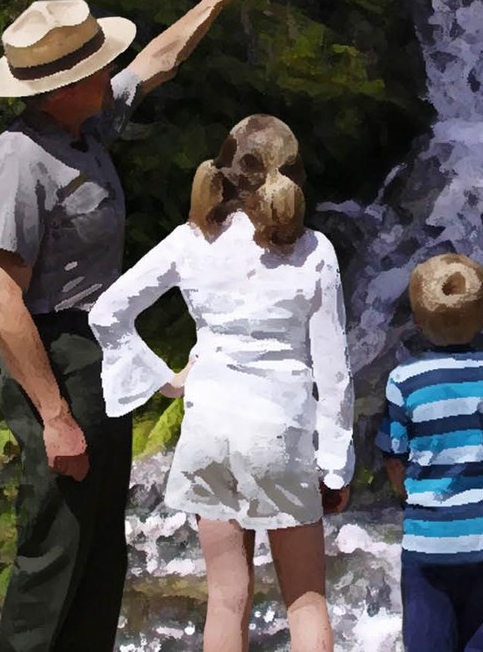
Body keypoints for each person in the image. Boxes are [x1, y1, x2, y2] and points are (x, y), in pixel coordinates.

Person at [0, 0, 251, 652]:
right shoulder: (20, 158)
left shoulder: (85, 125)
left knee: (100, 550)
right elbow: (2, 300)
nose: (108, 70)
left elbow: (157, 60)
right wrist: (55, 415)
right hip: (57, 355)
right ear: (59, 84)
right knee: (57, 549)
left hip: (97, 351)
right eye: (95, 64)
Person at [86, 115, 354, 652]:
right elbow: (334, 370)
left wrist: (166, 381)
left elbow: (108, 313)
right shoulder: (311, 250)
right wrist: (336, 464)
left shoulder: (192, 240)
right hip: (279, 432)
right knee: (305, 602)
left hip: (209, 430)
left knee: (227, 597)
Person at [377, 253, 483, 652]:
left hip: (427, 540)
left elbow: (395, 457)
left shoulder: (404, 382)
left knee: (427, 638)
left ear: (417, 320)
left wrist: (409, 494)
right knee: (481, 635)